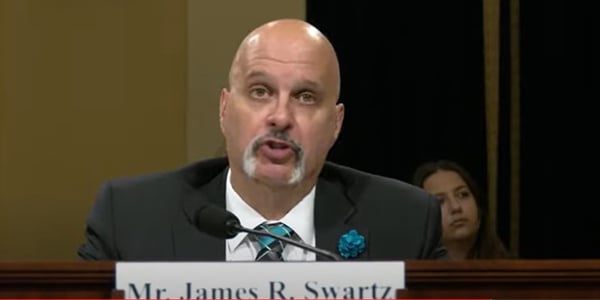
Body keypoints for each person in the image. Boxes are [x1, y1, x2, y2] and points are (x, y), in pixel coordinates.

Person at [78, 18, 446, 261]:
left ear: (335, 124)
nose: (281, 117)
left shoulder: (404, 222)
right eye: (259, 91)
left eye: (305, 97)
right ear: (224, 109)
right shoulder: (131, 219)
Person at [412, 160, 511, 260]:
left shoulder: (513, 272)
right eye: (440, 201)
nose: (456, 207)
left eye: (463, 194)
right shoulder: (405, 273)